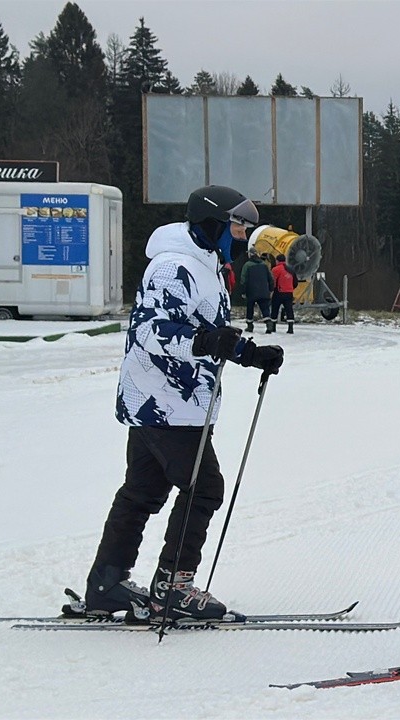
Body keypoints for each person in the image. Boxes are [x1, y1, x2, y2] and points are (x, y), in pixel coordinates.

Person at [83, 184, 285, 623]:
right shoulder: (174, 266)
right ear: (213, 224)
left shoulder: (205, 264)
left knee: (142, 491)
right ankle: (172, 586)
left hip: (168, 401)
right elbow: (150, 331)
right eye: (236, 227)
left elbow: (205, 332)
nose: (241, 236)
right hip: (165, 403)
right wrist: (207, 342)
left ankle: (106, 583)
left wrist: (249, 353)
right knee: (205, 487)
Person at [239, 249, 274, 332]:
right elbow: (270, 278)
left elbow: (243, 279)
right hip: (263, 291)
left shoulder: (247, 265)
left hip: (251, 291)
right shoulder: (264, 264)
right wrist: (270, 289)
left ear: (250, 255)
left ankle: (250, 326)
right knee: (265, 308)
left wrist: (243, 291)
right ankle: (269, 324)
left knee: (250, 308)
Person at [270, 253, 297, 334]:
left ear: (277, 261)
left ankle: (273, 327)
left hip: (278, 292)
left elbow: (273, 281)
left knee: (275, 309)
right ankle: (290, 328)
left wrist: (271, 290)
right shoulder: (291, 269)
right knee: (289, 310)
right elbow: (295, 282)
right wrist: (291, 288)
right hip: (289, 292)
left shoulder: (275, 269)